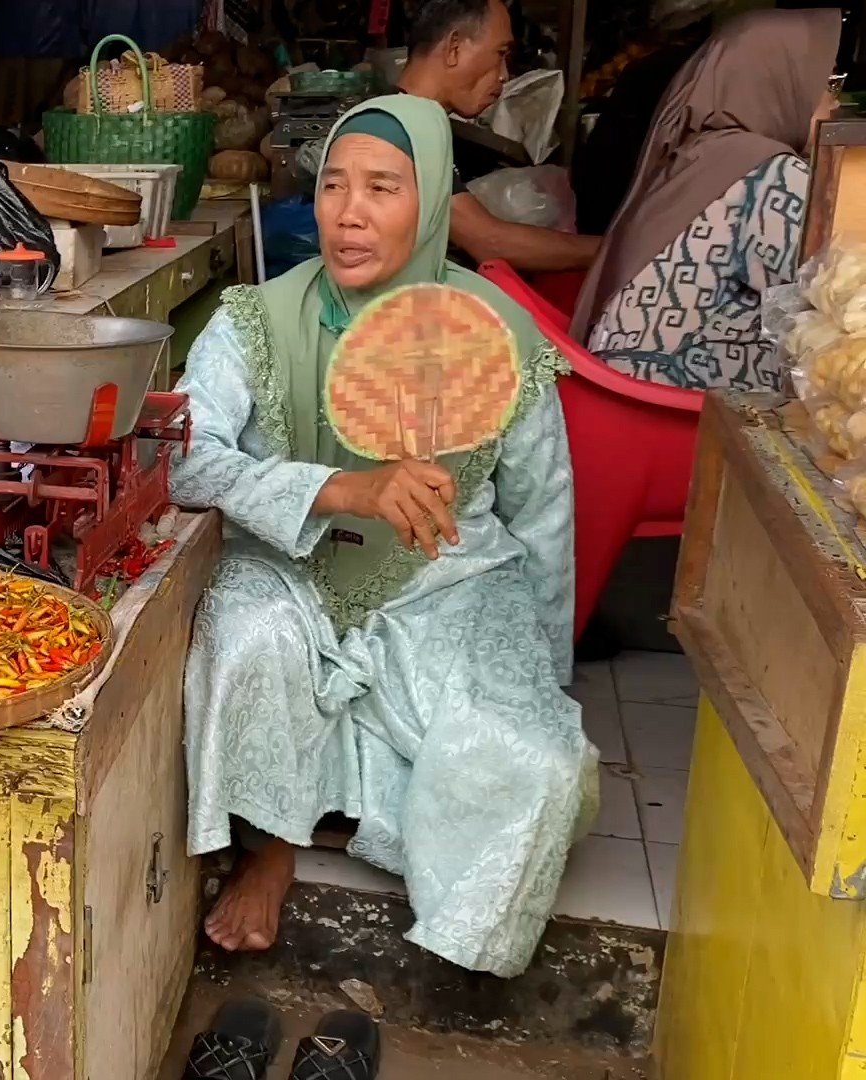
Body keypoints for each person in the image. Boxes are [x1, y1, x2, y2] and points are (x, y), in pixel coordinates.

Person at [173, 95, 597, 979]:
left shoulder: (495, 339)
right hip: (291, 572)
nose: (349, 212)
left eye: (382, 187)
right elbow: (184, 462)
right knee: (247, 637)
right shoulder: (258, 320)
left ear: (434, 198)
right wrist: (337, 488)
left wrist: (541, 671)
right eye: (332, 185)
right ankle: (271, 851)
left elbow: (544, 512)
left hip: (447, 581)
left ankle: (447, 893)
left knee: (537, 761)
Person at [572, 9, 842, 392]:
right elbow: (833, 294)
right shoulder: (769, 172)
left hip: (625, 389)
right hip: (671, 404)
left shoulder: (701, 154)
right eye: (826, 84)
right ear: (783, 81)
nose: (833, 104)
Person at [395, 0, 604, 272]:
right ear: (454, 48)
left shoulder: (411, 118)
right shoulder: (408, 128)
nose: (504, 75)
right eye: (500, 53)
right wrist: (617, 248)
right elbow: (490, 241)